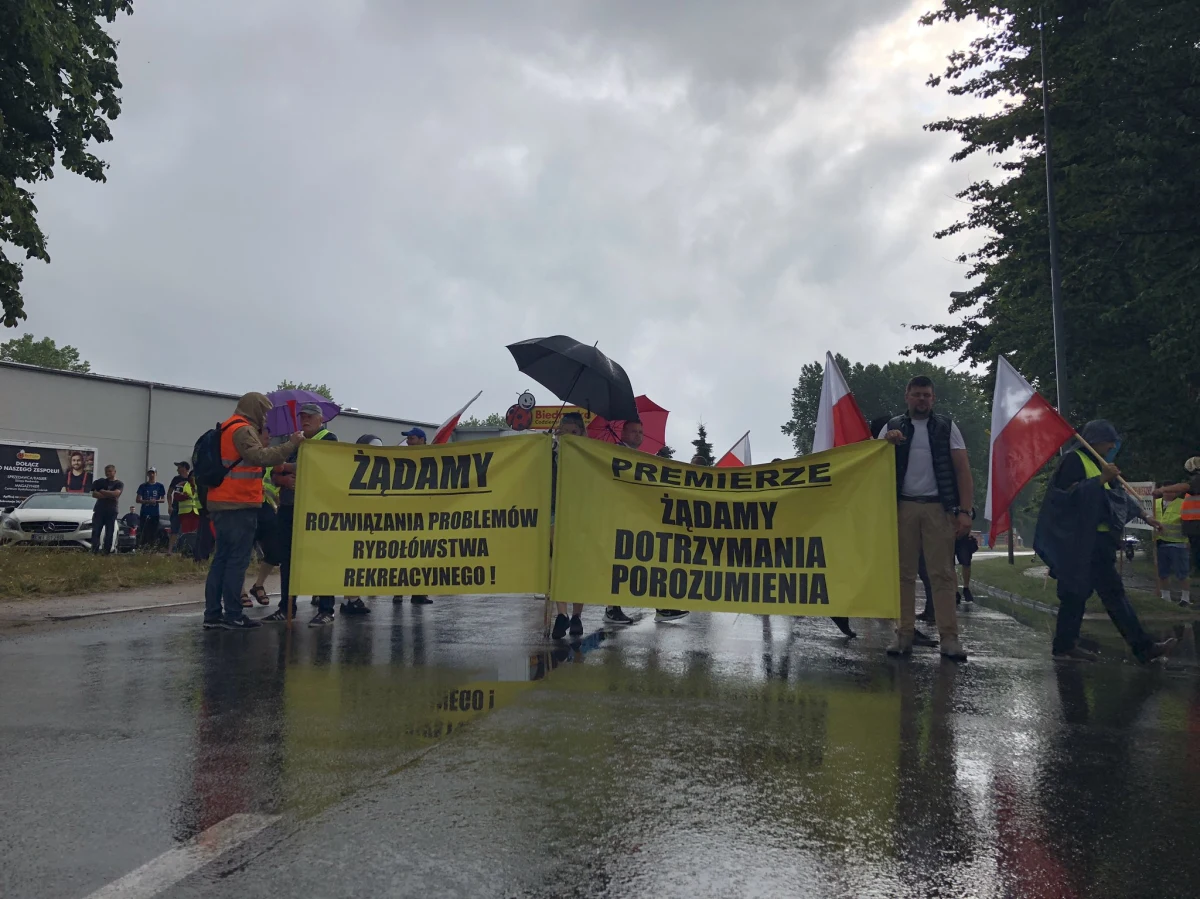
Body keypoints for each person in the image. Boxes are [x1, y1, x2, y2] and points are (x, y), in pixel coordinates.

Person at [1033, 419, 1176, 663]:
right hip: (1081, 541)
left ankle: (1137, 647)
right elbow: (1065, 498)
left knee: (1098, 593)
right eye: (1109, 441)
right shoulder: (1073, 460)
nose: (1112, 446)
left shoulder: (1100, 464)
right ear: (1096, 440)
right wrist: (1100, 480)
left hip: (1099, 540)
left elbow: (1117, 497)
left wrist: (1145, 516)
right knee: (1086, 593)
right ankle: (1071, 646)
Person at [880, 376, 974, 661]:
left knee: (943, 574)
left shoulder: (946, 427)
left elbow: (962, 469)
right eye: (917, 394)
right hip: (902, 507)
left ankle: (950, 639)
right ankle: (903, 634)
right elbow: (874, 463)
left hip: (939, 508)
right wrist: (886, 443)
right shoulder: (891, 427)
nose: (922, 399)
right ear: (907, 396)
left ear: (933, 399)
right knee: (902, 575)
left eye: (927, 395)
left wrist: (966, 511)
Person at [203, 393, 303, 630]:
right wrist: (291, 444)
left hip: (222, 502)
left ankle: (214, 614)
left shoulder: (227, 427)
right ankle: (233, 615)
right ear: (255, 409)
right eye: (264, 411)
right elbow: (259, 457)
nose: (265, 415)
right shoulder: (243, 429)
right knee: (237, 561)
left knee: (221, 560)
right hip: (238, 504)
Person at [262, 403, 359, 626]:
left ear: (320, 419)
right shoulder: (294, 441)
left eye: (309, 417)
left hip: (316, 509)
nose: (305, 420)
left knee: (320, 558)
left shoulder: (328, 439)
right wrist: (283, 478)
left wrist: (285, 466)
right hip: (288, 507)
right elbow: (273, 473)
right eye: (302, 417)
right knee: (287, 559)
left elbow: (318, 464)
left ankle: (326, 609)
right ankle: (286, 607)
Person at [549, 412, 588, 639]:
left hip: (581, 513)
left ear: (582, 433)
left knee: (578, 566)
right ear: (559, 432)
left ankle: (576, 616)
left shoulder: (590, 455)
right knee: (557, 564)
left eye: (575, 432)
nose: (571, 436)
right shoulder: (549, 452)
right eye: (566, 432)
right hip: (555, 512)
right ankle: (562, 613)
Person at [396, 428, 433, 605]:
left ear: (422, 440)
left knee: (421, 553)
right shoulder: (403, 460)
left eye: (411, 438)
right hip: (405, 512)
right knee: (404, 553)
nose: (408, 442)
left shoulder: (431, 459)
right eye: (408, 439)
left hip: (423, 513)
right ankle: (399, 591)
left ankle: (418, 592)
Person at [1154, 484, 1190, 606]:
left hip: (1178, 543)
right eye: (1165, 490)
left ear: (1176, 493)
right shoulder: (1156, 503)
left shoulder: (1183, 503)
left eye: (1171, 491)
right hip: (1160, 542)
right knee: (1162, 572)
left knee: (1182, 573)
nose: (1167, 493)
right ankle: (1165, 598)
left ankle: (1185, 598)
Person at [90, 465, 123, 554]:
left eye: (109, 471)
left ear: (114, 472)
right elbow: (94, 494)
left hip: (111, 511)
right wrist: (108, 495)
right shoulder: (101, 482)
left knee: (109, 532)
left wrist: (102, 491)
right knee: (96, 530)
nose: (107, 473)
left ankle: (106, 551)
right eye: (106, 471)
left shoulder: (119, 483)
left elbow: (116, 494)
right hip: (99, 510)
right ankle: (94, 550)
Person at [135, 468, 167, 551]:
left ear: (156, 474)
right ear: (148, 474)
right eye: (150, 473)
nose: (151, 475)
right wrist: (146, 501)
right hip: (145, 512)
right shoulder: (143, 486)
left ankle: (152, 548)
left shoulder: (159, 486)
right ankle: (143, 547)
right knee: (144, 531)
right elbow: (138, 499)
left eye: (153, 473)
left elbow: (163, 499)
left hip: (155, 513)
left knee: (154, 531)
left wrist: (155, 501)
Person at [166, 461, 192, 552]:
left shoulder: (192, 478)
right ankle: (170, 550)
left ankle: (187, 549)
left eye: (179, 467)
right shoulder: (176, 479)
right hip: (176, 507)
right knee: (174, 529)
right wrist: (169, 506)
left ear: (184, 468)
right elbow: (169, 493)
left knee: (189, 530)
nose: (177, 469)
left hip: (189, 508)